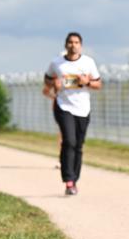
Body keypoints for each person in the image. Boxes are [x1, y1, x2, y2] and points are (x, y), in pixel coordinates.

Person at [43, 32, 102, 195]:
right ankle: (68, 181)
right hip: (63, 106)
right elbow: (47, 79)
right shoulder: (57, 63)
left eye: (76, 42)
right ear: (65, 45)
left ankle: (74, 179)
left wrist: (87, 82)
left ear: (80, 45)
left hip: (83, 108)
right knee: (69, 141)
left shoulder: (88, 62)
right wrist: (53, 83)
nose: (73, 45)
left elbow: (98, 84)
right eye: (70, 42)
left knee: (78, 145)